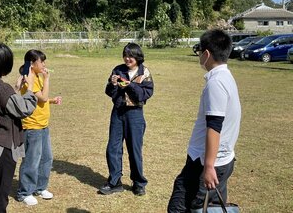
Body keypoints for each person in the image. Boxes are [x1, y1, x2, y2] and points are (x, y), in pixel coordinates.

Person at [167, 29, 242, 212]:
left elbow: (214, 127)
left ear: (207, 54)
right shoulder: (226, 77)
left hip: (206, 163)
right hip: (219, 160)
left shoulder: (216, 83)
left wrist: (208, 167)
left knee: (179, 207)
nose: (199, 55)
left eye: (199, 51)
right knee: (208, 208)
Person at [0, 42, 37, 213]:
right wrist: (30, 88)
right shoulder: (1, 88)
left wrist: (15, 89)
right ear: (4, 64)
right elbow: (24, 109)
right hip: (1, 147)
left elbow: (4, 105)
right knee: (0, 197)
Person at [99, 43, 154, 196]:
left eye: (131, 56)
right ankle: (115, 182)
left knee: (134, 149)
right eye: (125, 55)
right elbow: (109, 92)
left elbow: (145, 94)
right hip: (118, 112)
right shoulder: (118, 69)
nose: (127, 59)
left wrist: (130, 86)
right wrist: (112, 84)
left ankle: (138, 183)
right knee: (113, 148)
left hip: (135, 114)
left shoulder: (144, 72)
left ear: (138, 56)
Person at [17, 49, 62, 206]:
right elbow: (41, 96)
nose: (44, 64)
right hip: (32, 127)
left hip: (43, 125)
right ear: (32, 63)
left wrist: (52, 100)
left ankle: (40, 187)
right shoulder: (29, 78)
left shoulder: (36, 76)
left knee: (46, 158)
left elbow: (41, 99)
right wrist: (47, 79)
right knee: (31, 160)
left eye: (44, 62)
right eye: (41, 62)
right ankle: (25, 192)